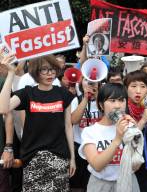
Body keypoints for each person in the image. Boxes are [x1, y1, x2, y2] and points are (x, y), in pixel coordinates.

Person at [0, 54, 76, 191]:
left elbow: (68, 127)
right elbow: (3, 108)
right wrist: (11, 73)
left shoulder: (63, 94)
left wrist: (72, 158)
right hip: (32, 158)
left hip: (59, 157)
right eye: (44, 70)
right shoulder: (27, 93)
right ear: (35, 71)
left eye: (53, 69)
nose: (50, 73)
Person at [78, 83, 138, 192]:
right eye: (112, 101)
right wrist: (117, 139)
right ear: (101, 105)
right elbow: (97, 165)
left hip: (128, 182)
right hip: (101, 185)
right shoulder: (90, 132)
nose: (117, 105)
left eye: (121, 100)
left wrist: (136, 134)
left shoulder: (129, 127)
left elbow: (136, 166)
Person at [70, 77, 101, 192]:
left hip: (98, 146)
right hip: (79, 145)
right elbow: (74, 120)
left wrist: (98, 96)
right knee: (78, 184)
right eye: (87, 80)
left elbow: (107, 115)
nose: (91, 83)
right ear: (81, 83)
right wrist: (85, 98)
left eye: (94, 81)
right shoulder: (76, 100)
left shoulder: (103, 100)